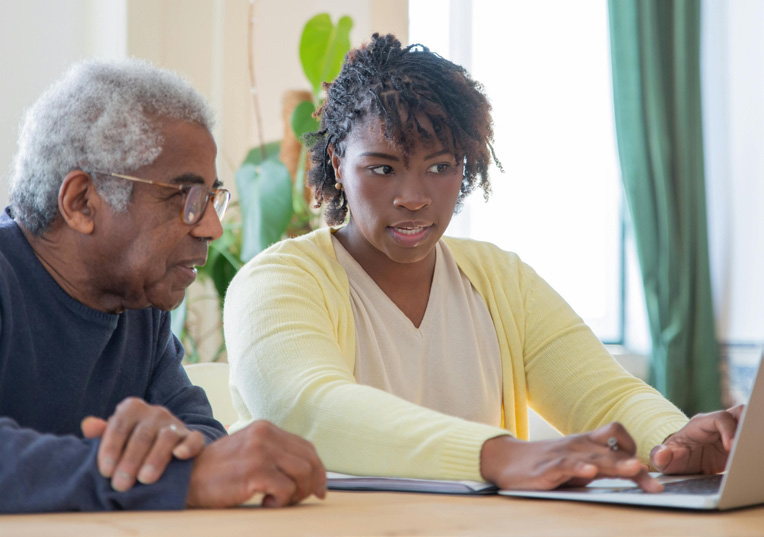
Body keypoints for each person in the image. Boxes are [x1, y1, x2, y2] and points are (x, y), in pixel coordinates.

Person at [224, 34, 742, 492]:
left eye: (440, 167)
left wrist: (673, 442)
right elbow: (309, 409)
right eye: (382, 168)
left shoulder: (501, 280)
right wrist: (500, 455)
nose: (414, 197)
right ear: (337, 163)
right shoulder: (277, 283)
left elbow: (603, 395)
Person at [0, 58, 325, 513]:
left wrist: (171, 446)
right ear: (81, 203)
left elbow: (201, 435)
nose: (211, 226)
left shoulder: (139, 302)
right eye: (187, 198)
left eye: (212, 198)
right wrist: (167, 478)